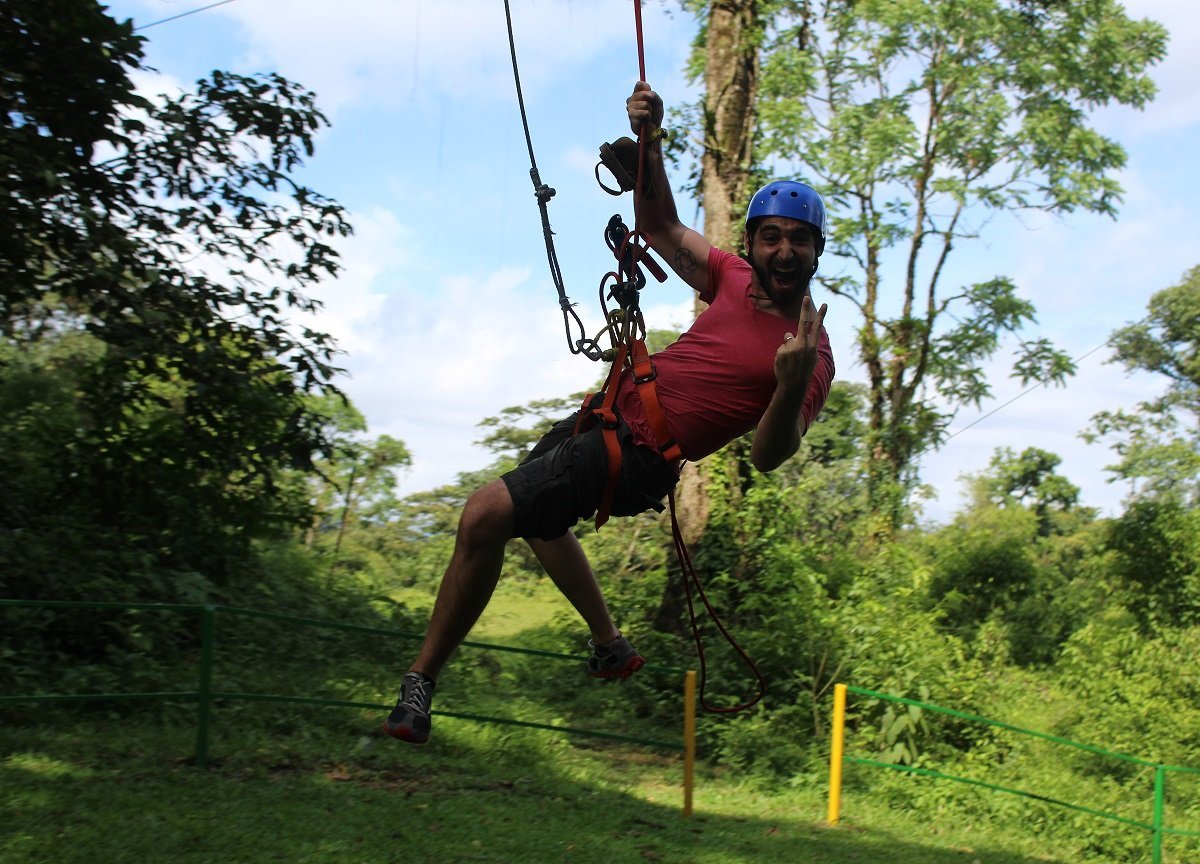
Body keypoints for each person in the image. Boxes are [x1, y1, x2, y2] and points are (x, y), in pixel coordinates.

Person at [383, 80, 835, 744]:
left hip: (641, 454)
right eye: (772, 237)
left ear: (818, 251)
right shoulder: (732, 277)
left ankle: (419, 684)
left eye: (799, 240)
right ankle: (608, 643)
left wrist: (791, 384)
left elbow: (769, 457)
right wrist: (651, 150)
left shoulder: (812, 353)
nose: (785, 251)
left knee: (484, 515)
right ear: (753, 241)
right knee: (539, 519)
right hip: (604, 416)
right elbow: (658, 228)